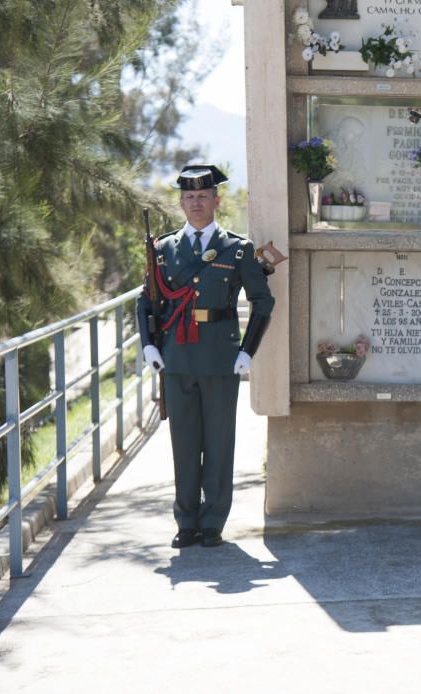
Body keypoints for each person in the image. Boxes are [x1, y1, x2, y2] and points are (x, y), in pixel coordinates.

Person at [138, 164, 275, 549]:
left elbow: (263, 301)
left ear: (217, 200)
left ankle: (212, 520)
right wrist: (149, 344)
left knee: (218, 442)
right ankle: (186, 521)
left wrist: (247, 350)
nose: (196, 203)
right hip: (177, 358)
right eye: (189, 197)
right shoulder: (163, 250)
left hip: (219, 358)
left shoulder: (238, 249)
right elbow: (146, 301)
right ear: (181, 203)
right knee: (184, 442)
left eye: (203, 196)